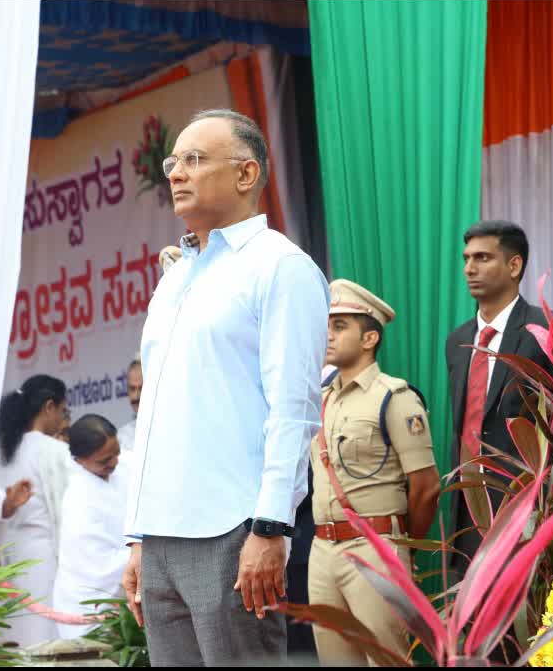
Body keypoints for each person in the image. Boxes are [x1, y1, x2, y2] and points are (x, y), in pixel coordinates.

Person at [122, 108, 329, 666]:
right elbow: (154, 417)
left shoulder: (280, 268)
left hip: (233, 531)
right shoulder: (173, 281)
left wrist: (270, 527)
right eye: (173, 162)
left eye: (194, 160)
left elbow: (294, 409)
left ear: (246, 175)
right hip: (162, 533)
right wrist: (138, 535)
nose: (176, 174)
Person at [446, 220, 553, 664]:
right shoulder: (458, 341)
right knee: (474, 638)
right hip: (469, 513)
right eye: (466, 259)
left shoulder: (549, 329)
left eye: (482, 258)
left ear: (515, 264)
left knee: (528, 636)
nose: (469, 268)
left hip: (526, 511)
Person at [308, 280, 441, 665]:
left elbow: (427, 487)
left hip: (375, 545)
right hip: (322, 548)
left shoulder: (394, 397)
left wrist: (399, 545)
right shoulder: (322, 398)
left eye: (340, 326)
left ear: (369, 338)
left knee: (387, 659)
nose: (328, 336)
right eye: (326, 326)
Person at [0, 374, 71, 647]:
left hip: (5, 554)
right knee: (41, 636)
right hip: (42, 556)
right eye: (62, 410)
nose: (62, 419)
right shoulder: (54, 451)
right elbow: (69, 510)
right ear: (49, 407)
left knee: (13, 637)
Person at [54, 415, 132, 640]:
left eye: (116, 453)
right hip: (88, 604)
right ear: (79, 460)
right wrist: (144, 552)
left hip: (126, 593)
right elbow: (98, 566)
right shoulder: (78, 498)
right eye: (104, 460)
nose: (114, 462)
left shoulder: (125, 464)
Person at [116, 358, 143, 454]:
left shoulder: (170, 428)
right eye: (132, 389)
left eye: (141, 388)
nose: (136, 396)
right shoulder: (122, 437)